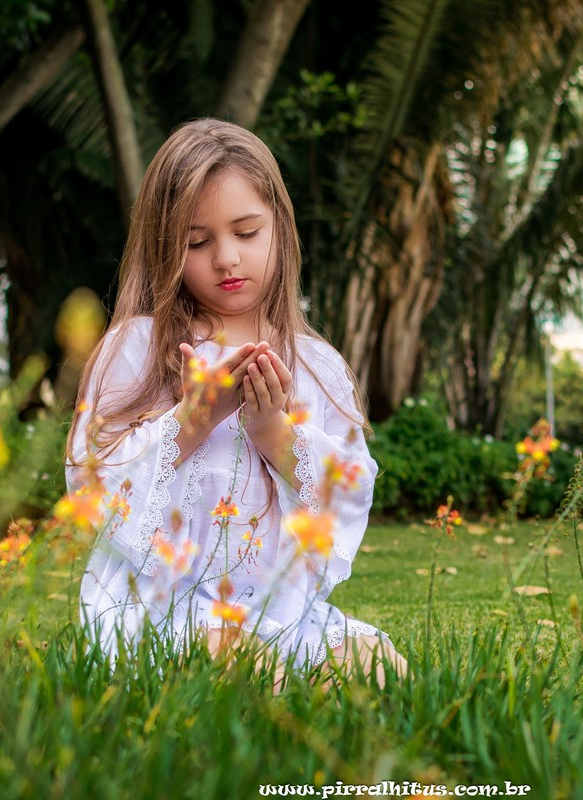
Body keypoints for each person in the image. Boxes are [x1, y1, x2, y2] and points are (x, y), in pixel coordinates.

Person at [65, 119, 405, 687]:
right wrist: (194, 418)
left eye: (246, 232)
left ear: (280, 229)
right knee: (252, 671)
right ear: (163, 245)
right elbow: (91, 482)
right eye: (196, 242)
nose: (226, 258)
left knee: (383, 673)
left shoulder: (316, 366)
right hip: (156, 608)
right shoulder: (138, 348)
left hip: (279, 612)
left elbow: (345, 494)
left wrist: (272, 429)